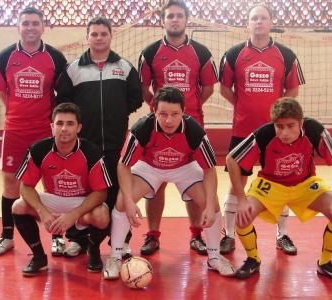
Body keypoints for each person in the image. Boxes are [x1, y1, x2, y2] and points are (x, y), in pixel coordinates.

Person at [103, 87, 235, 279]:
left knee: (211, 203)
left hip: (185, 167)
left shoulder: (195, 132)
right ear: (154, 111)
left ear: (183, 112)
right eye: (163, 114)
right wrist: (131, 202)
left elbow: (209, 169)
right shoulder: (141, 129)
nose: (169, 120)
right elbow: (123, 166)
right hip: (150, 167)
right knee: (123, 201)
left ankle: (214, 257)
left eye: (175, 114)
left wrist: (207, 206)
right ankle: (115, 256)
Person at [226, 97, 332, 282]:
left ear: (301, 123)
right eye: (279, 126)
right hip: (271, 185)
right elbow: (231, 159)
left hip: (305, 184)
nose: (284, 132)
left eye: (290, 126)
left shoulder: (314, 129)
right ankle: (253, 259)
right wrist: (242, 200)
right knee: (242, 217)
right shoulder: (264, 133)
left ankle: (325, 263)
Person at [219, 3, 305, 255]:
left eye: (263, 18)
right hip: (243, 131)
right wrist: (243, 105)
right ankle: (229, 234)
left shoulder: (286, 55)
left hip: (276, 133)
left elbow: (293, 91)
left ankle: (283, 234)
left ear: (270, 22)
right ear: (248, 23)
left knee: (282, 181)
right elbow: (225, 88)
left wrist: (279, 116)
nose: (259, 22)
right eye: (254, 18)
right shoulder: (233, 54)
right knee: (237, 182)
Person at [56, 17, 142, 269]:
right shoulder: (73, 69)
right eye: (94, 34)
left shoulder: (124, 68)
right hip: (85, 145)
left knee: (116, 193)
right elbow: (64, 102)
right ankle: (77, 239)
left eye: (104, 33)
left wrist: (116, 114)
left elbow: (135, 98)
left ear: (110, 36)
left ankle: (122, 240)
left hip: (116, 144)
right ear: (88, 37)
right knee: (81, 192)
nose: (99, 37)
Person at [138, 0, 218, 256]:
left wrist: (185, 113)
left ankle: (196, 234)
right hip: (159, 130)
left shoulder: (201, 53)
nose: (174, 20)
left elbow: (208, 88)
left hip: (192, 129)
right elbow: (143, 89)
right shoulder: (150, 53)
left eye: (179, 16)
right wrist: (161, 112)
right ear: (163, 20)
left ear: (186, 20)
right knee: (156, 182)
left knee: (195, 181)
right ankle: (152, 234)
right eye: (170, 16)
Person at [0, 7, 67, 257]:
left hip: (45, 131)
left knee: (51, 184)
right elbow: (2, 91)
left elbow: (60, 95)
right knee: (11, 185)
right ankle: (7, 235)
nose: (30, 27)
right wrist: (16, 112)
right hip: (15, 131)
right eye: (26, 23)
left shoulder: (55, 58)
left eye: (35, 23)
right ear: (18, 27)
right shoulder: (5, 57)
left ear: (43, 27)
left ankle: (57, 237)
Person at [11, 103, 111, 276]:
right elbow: (25, 187)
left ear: (79, 127)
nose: (64, 128)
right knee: (18, 206)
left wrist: (74, 215)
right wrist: (42, 211)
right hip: (53, 200)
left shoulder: (91, 152)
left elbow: (101, 192)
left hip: (81, 201)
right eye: (59, 123)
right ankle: (39, 257)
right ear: (52, 126)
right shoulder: (38, 150)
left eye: (70, 124)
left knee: (102, 215)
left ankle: (93, 252)